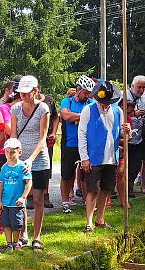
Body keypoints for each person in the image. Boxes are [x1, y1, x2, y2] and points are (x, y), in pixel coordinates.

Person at [79, 81, 130, 232]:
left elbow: (122, 134)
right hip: (94, 157)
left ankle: (100, 219)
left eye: (107, 102)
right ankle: (89, 223)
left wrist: (127, 130)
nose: (105, 104)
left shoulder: (118, 111)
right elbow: (82, 134)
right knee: (92, 190)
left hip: (111, 157)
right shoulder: (88, 110)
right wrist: (84, 158)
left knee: (106, 189)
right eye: (103, 102)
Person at [10, 76, 50, 250]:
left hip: (39, 159)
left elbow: (43, 137)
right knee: (22, 196)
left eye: (27, 92)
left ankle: (37, 236)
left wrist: (31, 159)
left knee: (38, 198)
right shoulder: (16, 108)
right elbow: (13, 133)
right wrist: (13, 155)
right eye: (21, 92)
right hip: (20, 157)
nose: (24, 95)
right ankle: (23, 232)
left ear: (35, 90)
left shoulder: (43, 108)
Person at [60, 76, 95, 211]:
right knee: (67, 174)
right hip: (70, 143)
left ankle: (88, 201)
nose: (87, 96)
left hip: (86, 144)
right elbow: (66, 116)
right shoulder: (67, 101)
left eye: (89, 93)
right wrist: (84, 115)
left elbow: (95, 116)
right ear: (78, 90)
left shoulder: (91, 102)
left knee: (87, 174)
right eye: (85, 92)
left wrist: (77, 115)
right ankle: (65, 202)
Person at [0, 138, 32, 251]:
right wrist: (0, 201)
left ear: (19, 152)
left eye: (13, 152)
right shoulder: (4, 167)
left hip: (17, 202)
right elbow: (0, 184)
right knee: (6, 223)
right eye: (7, 152)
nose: (10, 155)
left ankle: (16, 242)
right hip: (6, 202)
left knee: (16, 224)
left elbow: (28, 182)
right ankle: (9, 243)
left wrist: (23, 197)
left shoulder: (22, 167)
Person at [125, 75, 145, 195]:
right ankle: (120, 189)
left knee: (136, 165)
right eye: (139, 87)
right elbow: (118, 113)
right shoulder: (124, 96)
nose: (142, 90)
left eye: (144, 87)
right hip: (125, 136)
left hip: (140, 136)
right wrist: (133, 113)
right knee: (123, 165)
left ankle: (130, 186)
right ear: (132, 86)